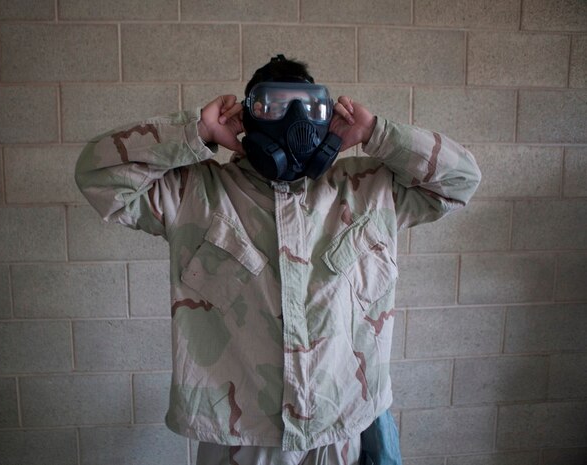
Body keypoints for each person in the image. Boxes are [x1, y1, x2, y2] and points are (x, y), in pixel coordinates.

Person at [75, 55, 481, 464]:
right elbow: (98, 175)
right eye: (274, 105)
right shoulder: (194, 194)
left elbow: (462, 179)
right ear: (247, 117)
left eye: (310, 106)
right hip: (240, 440)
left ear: (327, 116)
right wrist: (197, 131)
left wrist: (377, 133)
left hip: (339, 433)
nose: (295, 118)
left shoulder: (368, 190)